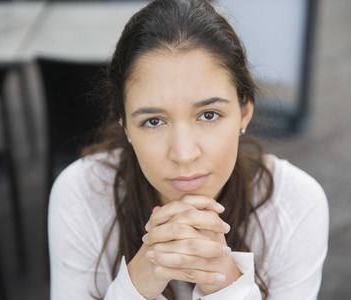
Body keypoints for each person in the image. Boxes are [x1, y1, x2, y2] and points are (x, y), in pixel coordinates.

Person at [48, 0, 329, 299]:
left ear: (245, 111)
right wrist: (137, 283)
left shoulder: (295, 204)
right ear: (124, 124)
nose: (183, 154)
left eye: (209, 115)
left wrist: (226, 285)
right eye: (153, 121)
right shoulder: (82, 193)